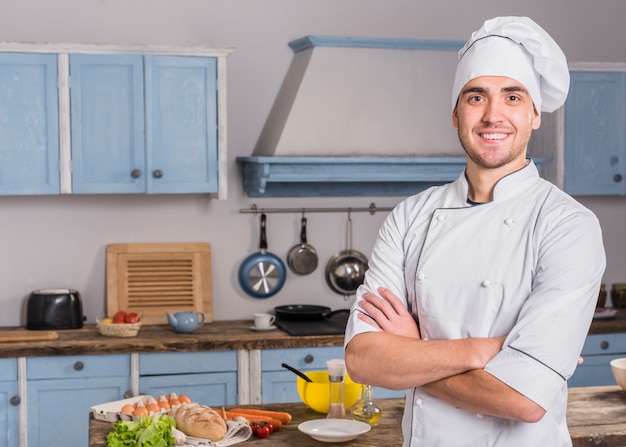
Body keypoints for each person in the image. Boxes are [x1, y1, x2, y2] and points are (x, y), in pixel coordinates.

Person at [344, 16, 606, 447]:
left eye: (513, 96)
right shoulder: (412, 216)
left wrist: (414, 352)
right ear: (455, 113)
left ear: (535, 114)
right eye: (476, 96)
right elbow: (362, 359)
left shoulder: (568, 226)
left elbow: (524, 400)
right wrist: (486, 349)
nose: (492, 115)